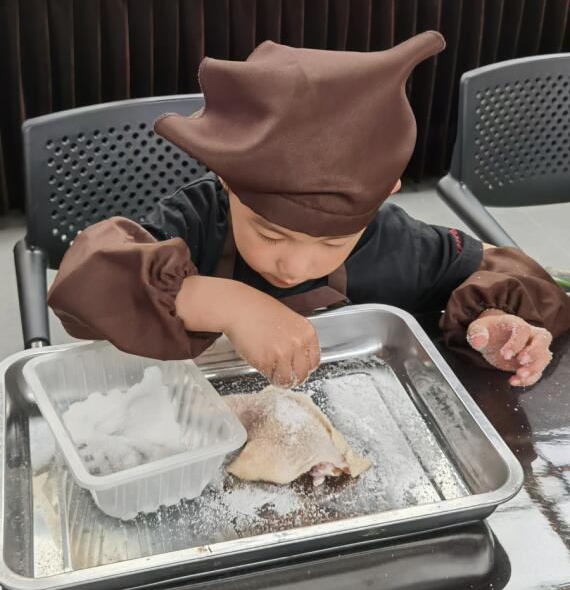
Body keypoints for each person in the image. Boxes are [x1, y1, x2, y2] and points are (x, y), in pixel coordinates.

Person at [47, 31, 570, 389]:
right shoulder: (198, 221)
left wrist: (499, 320)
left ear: (384, 196)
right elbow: (85, 285)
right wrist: (222, 301)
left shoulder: (395, 244)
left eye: (331, 242)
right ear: (227, 182)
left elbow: (507, 272)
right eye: (270, 234)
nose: (294, 264)